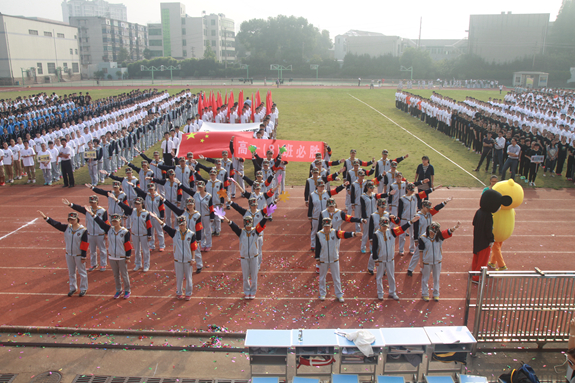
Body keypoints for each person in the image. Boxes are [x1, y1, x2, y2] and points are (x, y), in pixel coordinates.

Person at [38, 210, 89, 297]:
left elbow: (84, 243)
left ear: (77, 219)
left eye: (73, 219)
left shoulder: (83, 230)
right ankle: (73, 288)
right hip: (69, 254)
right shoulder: (67, 228)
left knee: (82, 272)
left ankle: (83, 288)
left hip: (78, 255)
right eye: (70, 219)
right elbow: (56, 224)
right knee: (71, 272)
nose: (71, 221)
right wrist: (46, 218)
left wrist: (83, 256)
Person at [151, 213, 198, 301]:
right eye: (180, 225)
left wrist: (193, 259)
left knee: (189, 278)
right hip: (178, 260)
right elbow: (164, 225)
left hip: (188, 260)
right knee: (179, 278)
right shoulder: (175, 233)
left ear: (186, 223)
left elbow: (193, 248)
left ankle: (188, 293)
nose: (182, 226)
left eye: (183, 224)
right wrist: (157, 217)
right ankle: (179, 293)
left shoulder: (191, 234)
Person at [222, 214, 268, 300]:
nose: (248, 227)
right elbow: (234, 227)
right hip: (244, 258)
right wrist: (228, 221)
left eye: (250, 225)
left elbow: (261, 224)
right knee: (245, 276)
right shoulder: (241, 232)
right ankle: (247, 292)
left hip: (254, 257)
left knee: (254, 276)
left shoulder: (256, 231)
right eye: (247, 225)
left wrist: (265, 217)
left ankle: (253, 292)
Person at [315, 217, 362, 302]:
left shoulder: (335, 233)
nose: (327, 228)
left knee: (336, 278)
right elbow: (317, 247)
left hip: (334, 259)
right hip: (323, 259)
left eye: (328, 226)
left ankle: (339, 294)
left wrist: (354, 234)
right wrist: (317, 258)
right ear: (322, 226)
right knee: (322, 278)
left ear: (331, 225)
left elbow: (344, 234)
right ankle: (322, 294)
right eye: (325, 226)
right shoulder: (319, 234)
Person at [372, 216, 418, 300]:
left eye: (386, 225)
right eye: (383, 225)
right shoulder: (376, 234)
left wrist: (411, 222)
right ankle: (380, 293)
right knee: (379, 277)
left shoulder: (392, 232)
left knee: (391, 276)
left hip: (390, 259)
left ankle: (392, 292)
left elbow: (402, 228)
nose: (385, 227)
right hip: (381, 260)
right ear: (379, 224)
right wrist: (375, 260)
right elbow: (374, 248)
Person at [90, 211, 132, 299]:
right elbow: (100, 223)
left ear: (120, 221)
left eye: (116, 221)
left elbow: (128, 245)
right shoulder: (109, 230)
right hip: (112, 256)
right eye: (113, 221)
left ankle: (127, 290)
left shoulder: (125, 232)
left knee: (124, 274)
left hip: (121, 257)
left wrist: (127, 257)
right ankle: (118, 290)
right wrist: (93, 215)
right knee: (116, 275)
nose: (114, 222)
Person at [409, 198, 452, 276]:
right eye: (427, 208)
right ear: (423, 206)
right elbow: (415, 228)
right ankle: (410, 269)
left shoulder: (429, 214)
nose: (429, 209)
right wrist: (415, 239)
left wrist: (445, 202)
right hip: (421, 238)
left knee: (426, 253)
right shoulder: (418, 216)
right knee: (417, 254)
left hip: (429, 237)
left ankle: (423, 269)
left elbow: (436, 207)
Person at [419, 221, 460, 301]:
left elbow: (449, 231)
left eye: (434, 232)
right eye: (431, 231)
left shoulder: (440, 236)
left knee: (436, 278)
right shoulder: (423, 238)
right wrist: (421, 262)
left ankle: (436, 294)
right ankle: (425, 293)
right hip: (427, 262)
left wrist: (455, 227)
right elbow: (421, 250)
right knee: (425, 279)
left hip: (437, 261)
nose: (432, 233)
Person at [161, 196, 204, 273]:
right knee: (186, 251)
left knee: (196, 251)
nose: (190, 206)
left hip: (193, 236)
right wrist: (164, 200)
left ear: (194, 205)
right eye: (188, 205)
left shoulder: (197, 215)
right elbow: (173, 207)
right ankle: (186, 267)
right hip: (185, 235)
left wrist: (198, 239)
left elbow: (198, 228)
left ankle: (199, 265)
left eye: (191, 204)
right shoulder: (183, 213)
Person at [113, 195, 152, 272]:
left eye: (138, 203)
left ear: (142, 204)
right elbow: (124, 206)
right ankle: (138, 264)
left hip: (144, 234)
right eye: (136, 203)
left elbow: (148, 225)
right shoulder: (132, 211)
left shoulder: (146, 213)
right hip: (135, 234)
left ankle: (146, 265)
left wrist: (149, 235)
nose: (137, 205)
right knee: (137, 250)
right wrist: (116, 199)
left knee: (145, 250)